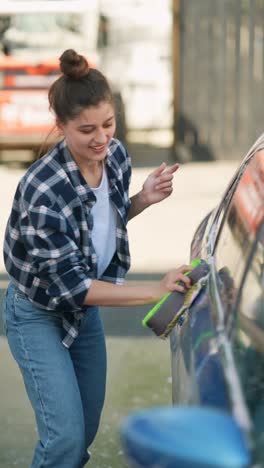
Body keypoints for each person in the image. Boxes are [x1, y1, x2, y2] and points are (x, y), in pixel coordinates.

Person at [2, 49, 192, 467]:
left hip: (83, 312)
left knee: (82, 433)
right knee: (65, 440)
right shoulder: (43, 189)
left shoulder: (116, 157)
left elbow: (98, 226)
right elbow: (73, 286)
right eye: (86, 129)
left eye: (108, 124)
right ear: (61, 125)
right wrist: (156, 291)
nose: (101, 138)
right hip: (36, 313)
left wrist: (142, 198)